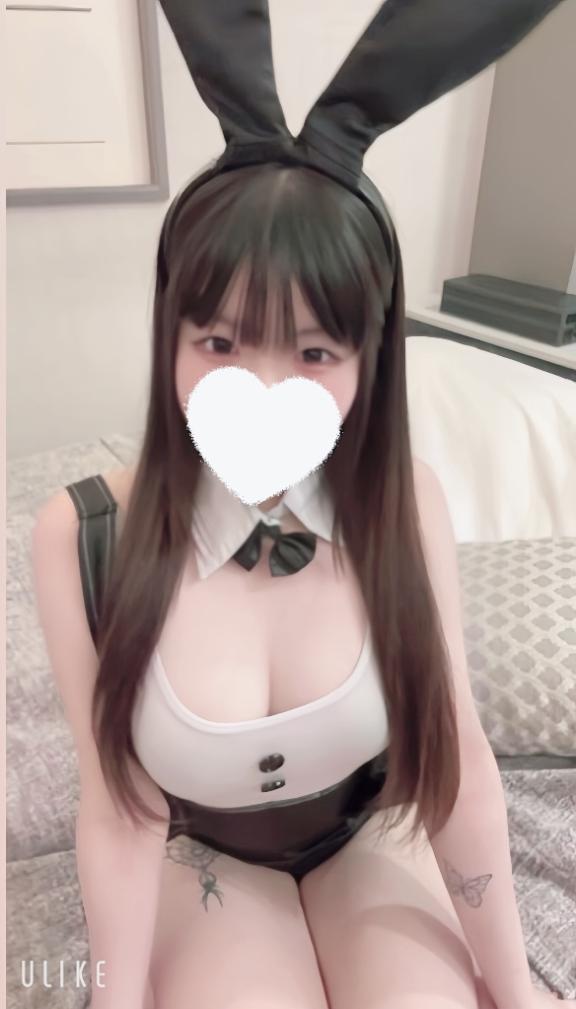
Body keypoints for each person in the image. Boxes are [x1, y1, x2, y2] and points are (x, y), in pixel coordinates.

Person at [31, 2, 571, 1008]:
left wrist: (517, 988)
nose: (265, 389)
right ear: (168, 335)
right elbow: (117, 808)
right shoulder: (84, 537)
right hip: (202, 856)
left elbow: (455, 759)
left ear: (371, 361)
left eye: (316, 351)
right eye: (220, 343)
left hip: (367, 834)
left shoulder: (405, 505)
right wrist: (114, 997)